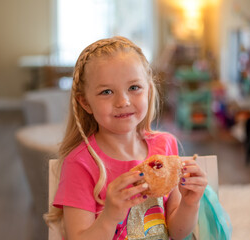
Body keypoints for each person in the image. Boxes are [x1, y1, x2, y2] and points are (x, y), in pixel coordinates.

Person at [43, 36, 207, 240]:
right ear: (85, 103)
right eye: (106, 91)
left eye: (134, 88)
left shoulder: (165, 145)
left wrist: (190, 203)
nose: (123, 101)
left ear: (148, 90)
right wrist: (110, 215)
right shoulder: (81, 163)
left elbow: (177, 232)